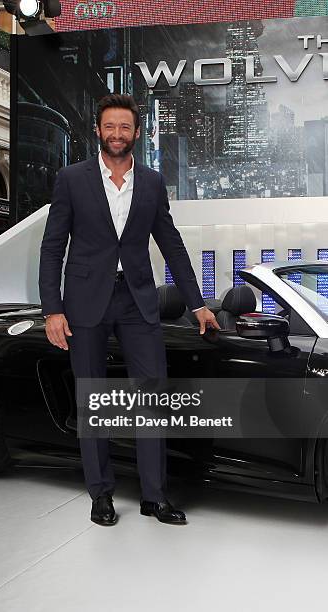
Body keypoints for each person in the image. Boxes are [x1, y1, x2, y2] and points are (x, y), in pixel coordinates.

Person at [38, 93, 220, 526]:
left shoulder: (153, 183)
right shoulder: (71, 178)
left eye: (125, 127)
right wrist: (52, 309)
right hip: (85, 302)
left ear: (136, 134)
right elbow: (52, 248)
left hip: (138, 300)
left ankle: (154, 497)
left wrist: (197, 303)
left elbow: (171, 246)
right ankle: (100, 494)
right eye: (110, 127)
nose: (117, 134)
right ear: (98, 131)